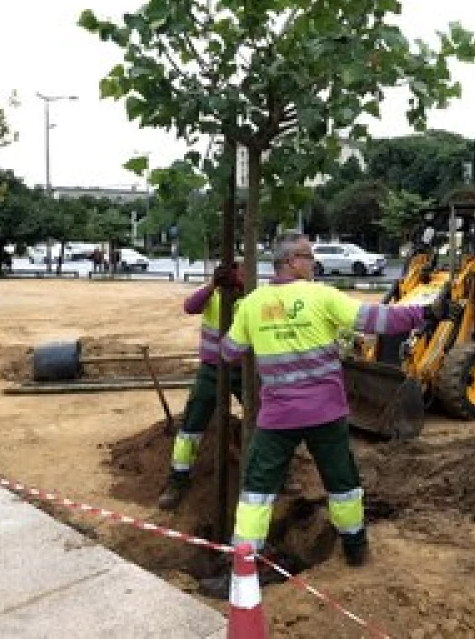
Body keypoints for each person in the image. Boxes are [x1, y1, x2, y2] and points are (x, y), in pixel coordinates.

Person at [200, 231, 456, 597]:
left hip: (278, 418)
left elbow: (228, 352)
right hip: (326, 413)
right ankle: (355, 549)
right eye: (307, 255)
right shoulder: (321, 295)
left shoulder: (254, 303)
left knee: (257, 491)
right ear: (291, 262)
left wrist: (240, 321)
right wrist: (424, 313)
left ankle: (242, 566)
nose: (312, 262)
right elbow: (376, 320)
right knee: (343, 483)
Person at [157, 260, 247, 510]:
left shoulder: (252, 299)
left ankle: (280, 476)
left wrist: (244, 290)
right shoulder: (213, 295)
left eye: (241, 271)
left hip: (244, 372)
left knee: (265, 421)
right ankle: (178, 480)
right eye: (235, 272)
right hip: (211, 370)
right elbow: (189, 306)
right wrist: (212, 286)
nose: (239, 276)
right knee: (191, 427)